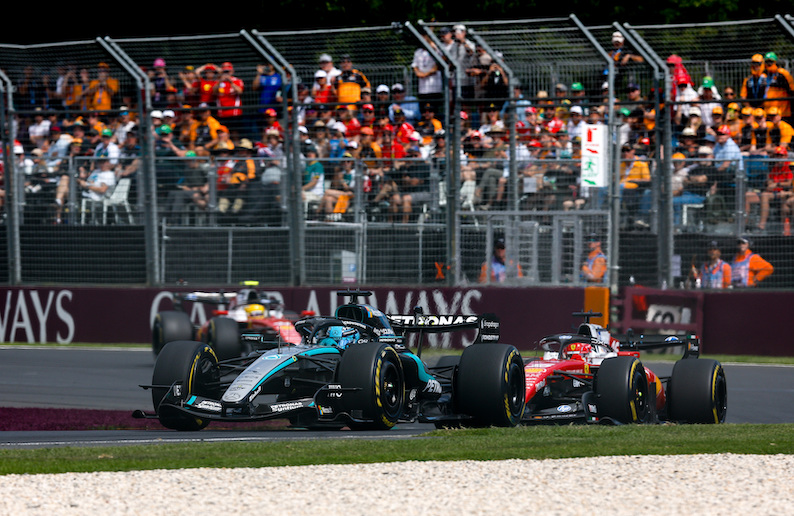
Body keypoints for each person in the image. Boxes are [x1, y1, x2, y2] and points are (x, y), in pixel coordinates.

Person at [745, 145, 792, 233]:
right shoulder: (773, 166)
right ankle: (744, 225)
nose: (778, 158)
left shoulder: (789, 166)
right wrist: (769, 183)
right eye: (777, 155)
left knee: (764, 195)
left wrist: (776, 184)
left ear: (785, 156)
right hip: (771, 191)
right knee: (747, 195)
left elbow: (789, 183)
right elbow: (769, 179)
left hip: (783, 192)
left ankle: (761, 226)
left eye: (781, 155)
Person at [762, 52, 794, 122]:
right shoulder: (765, 75)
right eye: (767, 62)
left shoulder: (782, 74)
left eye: (771, 61)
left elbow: (792, 89)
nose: (768, 64)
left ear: (776, 62)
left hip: (782, 112)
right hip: (768, 112)